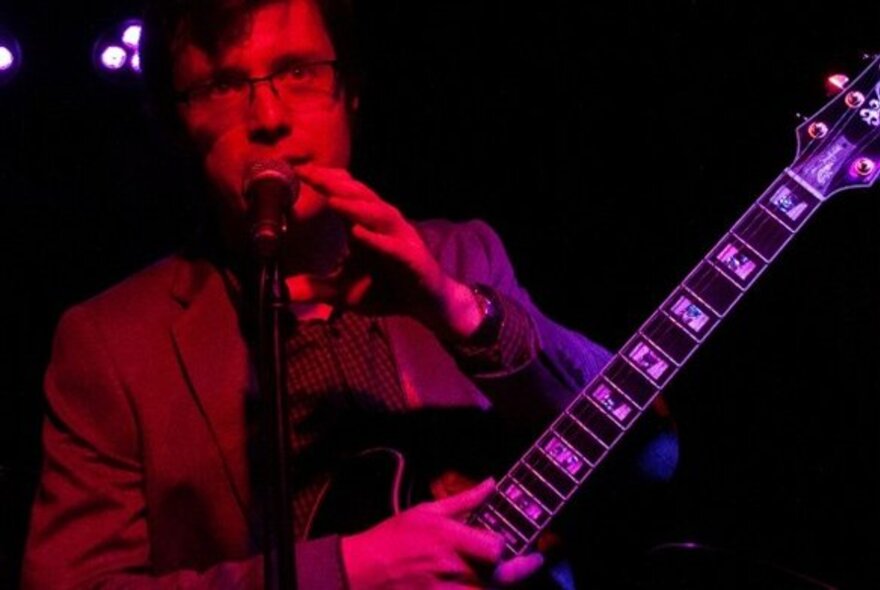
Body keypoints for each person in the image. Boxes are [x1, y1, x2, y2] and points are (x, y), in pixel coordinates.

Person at [20, 0, 661, 587]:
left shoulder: (463, 256)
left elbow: (650, 447)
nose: (268, 119)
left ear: (349, 93)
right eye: (221, 85)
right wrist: (347, 571)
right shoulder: (111, 341)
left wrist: (454, 307)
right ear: (179, 124)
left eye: (298, 72)